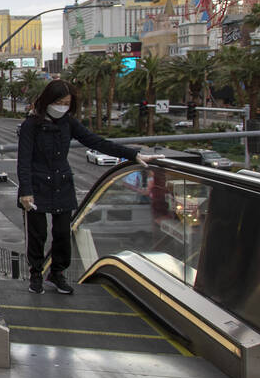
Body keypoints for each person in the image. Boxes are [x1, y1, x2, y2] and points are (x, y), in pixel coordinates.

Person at [17, 80, 156, 295]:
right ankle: (35, 274)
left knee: (63, 233)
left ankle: (57, 273)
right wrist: (25, 191)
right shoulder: (30, 126)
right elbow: (23, 160)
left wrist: (133, 155)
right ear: (47, 101)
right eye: (58, 102)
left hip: (62, 185)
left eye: (66, 103)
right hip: (36, 187)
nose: (62, 107)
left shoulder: (68, 123)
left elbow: (97, 142)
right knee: (37, 234)